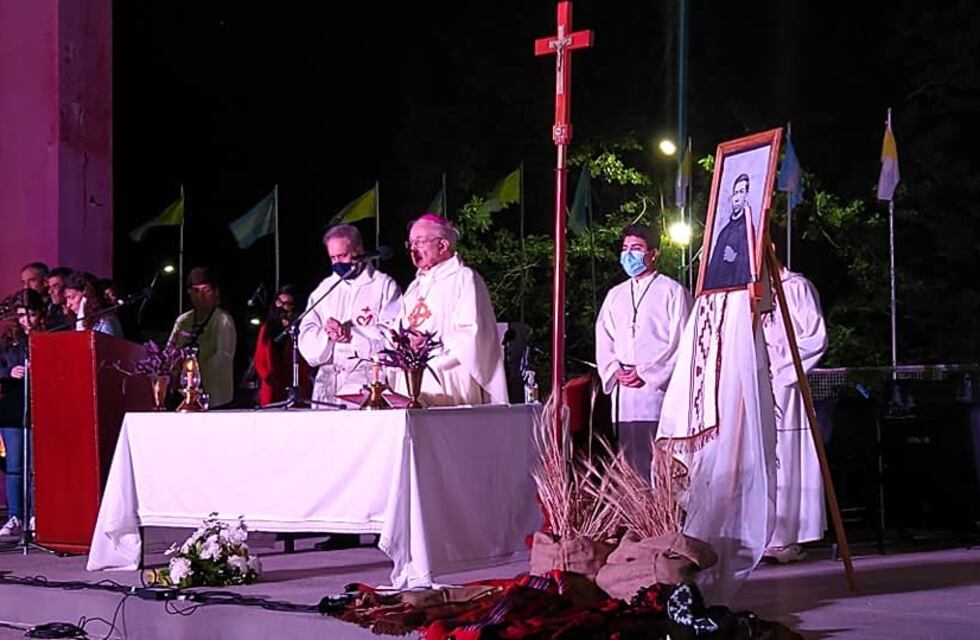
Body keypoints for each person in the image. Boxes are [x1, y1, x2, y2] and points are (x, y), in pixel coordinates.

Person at [595, 224, 692, 480]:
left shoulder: (673, 292)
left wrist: (648, 372)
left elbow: (682, 341)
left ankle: (660, 516)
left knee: (658, 457)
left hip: (655, 389)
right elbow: (604, 337)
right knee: (628, 459)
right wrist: (615, 369)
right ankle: (637, 516)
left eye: (636, 249)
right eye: (625, 249)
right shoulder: (615, 295)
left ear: (653, 253)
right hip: (624, 390)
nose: (629, 255)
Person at [396, 213, 507, 406]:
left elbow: (472, 333)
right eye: (411, 243)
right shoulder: (415, 287)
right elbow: (401, 328)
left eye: (420, 242)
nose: (413, 249)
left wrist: (431, 348)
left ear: (443, 245)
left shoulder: (464, 278)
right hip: (412, 376)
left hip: (448, 375)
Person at [761, 254, 828, 563]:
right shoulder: (752, 292)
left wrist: (782, 368)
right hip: (758, 382)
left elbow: (815, 338)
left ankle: (785, 535)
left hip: (785, 383)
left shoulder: (796, 287)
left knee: (786, 454)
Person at [298, 224, 400, 405]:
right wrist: (326, 334)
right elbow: (306, 331)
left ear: (359, 251)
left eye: (342, 256)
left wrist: (351, 333)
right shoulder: (325, 288)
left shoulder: (383, 285)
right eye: (333, 258)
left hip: (365, 381)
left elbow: (393, 333)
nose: (337, 263)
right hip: (328, 383)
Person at [0, 289, 46, 540]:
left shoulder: (49, 335)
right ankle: (15, 516)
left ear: (40, 313)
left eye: (31, 314)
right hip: (13, 408)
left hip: (41, 407)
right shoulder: (8, 340)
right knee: (15, 467)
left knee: (36, 467)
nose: (27, 320)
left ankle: (35, 514)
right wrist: (10, 373)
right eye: (21, 315)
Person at [169, 267, 237, 408]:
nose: (202, 296)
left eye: (206, 290)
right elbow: (170, 351)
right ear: (189, 293)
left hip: (215, 397)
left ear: (215, 293)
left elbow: (223, 357)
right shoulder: (183, 320)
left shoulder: (223, 320)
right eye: (196, 291)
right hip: (183, 395)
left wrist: (192, 376)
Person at [254, 285, 311, 406]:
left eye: (288, 304)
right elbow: (259, 358)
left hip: (293, 384)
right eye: (280, 303)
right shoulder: (267, 328)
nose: (283, 308)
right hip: (272, 384)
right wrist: (267, 376)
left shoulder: (298, 328)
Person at [703, 173, 753, 291]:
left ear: (746, 195)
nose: (736, 197)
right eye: (735, 193)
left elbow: (752, 264)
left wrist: (735, 258)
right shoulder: (724, 231)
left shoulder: (747, 230)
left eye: (741, 192)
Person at [63, 271, 123, 337]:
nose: (68, 304)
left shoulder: (105, 322)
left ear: (86, 296)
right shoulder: (75, 322)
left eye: (72, 297)